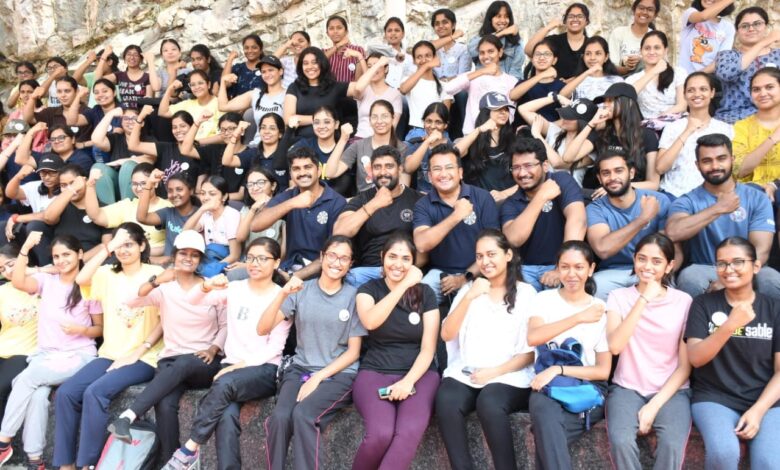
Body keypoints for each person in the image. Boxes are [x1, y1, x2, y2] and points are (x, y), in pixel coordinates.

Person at [161, 237, 292, 470]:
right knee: (225, 416)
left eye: (262, 259)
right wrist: (206, 286)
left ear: (276, 262)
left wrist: (238, 366)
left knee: (224, 383)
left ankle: (189, 449)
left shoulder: (283, 296)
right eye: (251, 258)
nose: (255, 263)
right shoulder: (235, 288)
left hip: (264, 368)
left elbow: (275, 348)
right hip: (230, 368)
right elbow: (192, 300)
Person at [107, 229, 226, 462]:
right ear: (174, 255)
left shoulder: (210, 286)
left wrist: (213, 348)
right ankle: (169, 461)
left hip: (204, 361)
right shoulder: (165, 289)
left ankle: (127, 416)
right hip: (171, 361)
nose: (188, 258)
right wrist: (156, 281)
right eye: (183, 253)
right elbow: (131, 300)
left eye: (194, 255)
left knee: (183, 363)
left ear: (200, 259)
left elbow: (225, 326)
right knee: (164, 403)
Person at [52, 224, 164, 470]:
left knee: (95, 392)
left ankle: (88, 464)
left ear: (142, 246)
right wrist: (108, 247)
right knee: (66, 393)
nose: (123, 250)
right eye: (119, 246)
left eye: (129, 244)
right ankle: (66, 464)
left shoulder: (155, 273)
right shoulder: (106, 274)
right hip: (110, 353)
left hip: (144, 357)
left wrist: (138, 352)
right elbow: (81, 279)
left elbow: (164, 320)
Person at [259, 236, 366, 470]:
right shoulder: (301, 290)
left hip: (339, 374)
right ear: (321, 257)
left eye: (344, 258)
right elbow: (262, 328)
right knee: (279, 418)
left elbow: (353, 352)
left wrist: (318, 378)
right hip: (300, 369)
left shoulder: (355, 297)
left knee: (304, 415)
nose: (336, 262)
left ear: (350, 264)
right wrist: (282, 294)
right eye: (332, 255)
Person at [436, 229, 536, 470]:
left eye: (492, 254)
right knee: (446, 400)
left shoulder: (527, 293)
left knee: (490, 403)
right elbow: (446, 334)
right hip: (468, 371)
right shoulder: (469, 290)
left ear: (508, 255)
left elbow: (530, 353)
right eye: (479, 256)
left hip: (509, 374)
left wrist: (494, 372)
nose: (485, 261)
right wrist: (469, 296)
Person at [0, 232, 101, 470]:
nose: (61, 260)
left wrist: (80, 329)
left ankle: (3, 441)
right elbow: (18, 281)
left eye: (66, 254)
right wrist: (25, 248)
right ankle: (35, 459)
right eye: (56, 256)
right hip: (46, 356)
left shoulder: (89, 286)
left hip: (77, 355)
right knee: (37, 397)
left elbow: (99, 329)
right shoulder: (47, 282)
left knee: (25, 379)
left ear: (79, 254)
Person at [686, 236, 780, 469]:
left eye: (738, 262)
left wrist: (758, 411)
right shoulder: (703, 304)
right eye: (722, 263)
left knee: (769, 462)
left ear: (755, 266)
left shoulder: (774, 308)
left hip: (766, 400)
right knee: (723, 453)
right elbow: (696, 358)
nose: (729, 270)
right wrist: (730, 325)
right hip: (715, 397)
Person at [605, 233, 693, 470]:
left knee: (671, 446)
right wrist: (643, 299)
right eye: (642, 259)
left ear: (669, 266)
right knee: (621, 442)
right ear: (634, 260)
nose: (647, 266)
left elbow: (685, 366)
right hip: (627, 387)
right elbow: (615, 346)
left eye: (656, 261)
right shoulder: (618, 297)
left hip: (672, 390)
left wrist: (653, 406)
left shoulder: (683, 301)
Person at [351, 234, 439, 470]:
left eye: (405, 258)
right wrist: (402, 286)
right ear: (382, 257)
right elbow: (371, 321)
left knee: (408, 432)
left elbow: (428, 348)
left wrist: (407, 382)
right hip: (375, 371)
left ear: (413, 263)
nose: (398, 264)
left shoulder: (426, 294)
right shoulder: (368, 289)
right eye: (392, 257)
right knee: (380, 433)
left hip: (419, 374)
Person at [526, 241, 611, 470]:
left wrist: (558, 369)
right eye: (564, 267)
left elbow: (603, 371)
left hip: (586, 386)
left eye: (579, 267)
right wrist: (578, 317)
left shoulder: (600, 308)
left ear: (591, 269)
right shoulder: (543, 300)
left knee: (546, 433)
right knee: (544, 412)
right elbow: (533, 337)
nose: (571, 274)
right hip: (548, 385)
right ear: (557, 268)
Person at [666, 133, 780, 299]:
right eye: (707, 161)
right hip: (707, 267)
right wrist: (718, 208)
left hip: (748, 266)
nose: (715, 166)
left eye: (721, 159)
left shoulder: (757, 197)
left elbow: (761, 250)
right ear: (697, 165)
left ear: (732, 160)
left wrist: (731, 276)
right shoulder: (687, 201)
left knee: (771, 280)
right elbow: (673, 232)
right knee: (690, 277)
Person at [413, 144, 500, 302]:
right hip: (440, 274)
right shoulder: (423, 205)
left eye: (449, 168)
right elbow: (421, 244)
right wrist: (456, 216)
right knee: (417, 300)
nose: (443, 174)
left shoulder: (482, 198)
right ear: (430, 176)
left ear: (460, 172)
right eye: (437, 169)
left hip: (479, 272)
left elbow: (494, 247)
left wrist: (464, 278)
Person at [501, 137, 586, 292]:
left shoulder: (562, 180)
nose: (522, 173)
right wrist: (541, 197)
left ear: (545, 165)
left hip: (562, 264)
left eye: (528, 166)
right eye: (516, 167)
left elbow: (578, 220)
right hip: (525, 270)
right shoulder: (511, 203)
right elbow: (513, 239)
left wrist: (563, 266)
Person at [586, 148, 671, 300]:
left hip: (652, 270)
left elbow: (671, 247)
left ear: (631, 173)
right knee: (596, 286)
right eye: (606, 173)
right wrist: (642, 219)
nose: (613, 177)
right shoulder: (595, 208)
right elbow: (602, 249)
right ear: (599, 178)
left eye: (619, 171)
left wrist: (659, 273)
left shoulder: (658, 200)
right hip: (613, 273)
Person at [251, 147, 347, 280]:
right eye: (296, 169)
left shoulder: (336, 202)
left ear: (319, 170)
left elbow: (334, 252)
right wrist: (292, 203)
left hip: (321, 274)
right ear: (290, 174)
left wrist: (294, 277)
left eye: (308, 167)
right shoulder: (289, 196)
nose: (302, 173)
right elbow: (255, 225)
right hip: (289, 266)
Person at [333, 145, 423, 287]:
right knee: (347, 279)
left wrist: (397, 269)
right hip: (369, 272)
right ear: (371, 171)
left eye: (389, 166)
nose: (383, 172)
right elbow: (339, 231)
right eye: (377, 167)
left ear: (400, 169)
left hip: (404, 269)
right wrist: (374, 204)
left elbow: (425, 251)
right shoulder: (362, 199)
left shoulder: (417, 200)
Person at [565, 82, 661, 193]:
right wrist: (591, 124)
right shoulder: (602, 133)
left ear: (629, 103)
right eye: (605, 101)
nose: (605, 105)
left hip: (632, 195)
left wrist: (617, 186)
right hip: (598, 194)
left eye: (610, 100)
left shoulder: (647, 135)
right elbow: (568, 157)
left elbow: (653, 184)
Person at [656, 72, 734, 198]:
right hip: (674, 194)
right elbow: (660, 168)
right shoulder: (672, 127)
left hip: (713, 195)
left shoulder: (725, 129)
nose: (697, 94)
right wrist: (687, 131)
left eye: (703, 89)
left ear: (712, 93)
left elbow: (732, 168)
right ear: (684, 95)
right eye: (691, 90)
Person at [283, 47, 375, 139]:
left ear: (322, 64)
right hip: (300, 141)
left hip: (330, 142)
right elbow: (288, 119)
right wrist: (321, 120)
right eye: (305, 63)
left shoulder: (335, 87)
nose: (310, 67)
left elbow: (364, 85)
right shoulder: (294, 87)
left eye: (314, 62)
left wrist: (360, 57)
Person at [84, 163, 172, 258]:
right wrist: (90, 186)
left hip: (159, 261)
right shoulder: (126, 205)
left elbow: (175, 242)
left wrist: (149, 252)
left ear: (155, 183)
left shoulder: (168, 207)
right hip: (128, 259)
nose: (139, 188)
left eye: (143, 183)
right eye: (134, 184)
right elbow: (96, 216)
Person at [326, 99, 407, 193]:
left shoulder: (401, 147)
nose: (379, 121)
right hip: (364, 199)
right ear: (369, 120)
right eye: (374, 117)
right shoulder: (359, 145)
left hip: (390, 198)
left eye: (384, 116)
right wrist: (343, 139)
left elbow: (402, 186)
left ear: (393, 118)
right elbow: (330, 173)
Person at [714, 7, 780, 124]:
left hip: (775, 117)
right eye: (744, 26)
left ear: (766, 27)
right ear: (737, 32)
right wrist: (763, 43)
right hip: (736, 117)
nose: (751, 29)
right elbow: (726, 74)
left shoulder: (778, 54)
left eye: (757, 24)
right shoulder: (727, 56)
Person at [516, 94, 599, 187]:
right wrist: (556, 97)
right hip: (544, 189)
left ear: (582, 123)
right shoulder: (555, 131)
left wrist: (537, 135)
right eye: (566, 113)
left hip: (570, 193)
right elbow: (523, 109)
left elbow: (558, 164)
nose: (564, 118)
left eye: (570, 116)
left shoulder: (588, 147)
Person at [444, 36, 517, 135]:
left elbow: (511, 112)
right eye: (482, 53)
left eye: (491, 51)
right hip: (473, 134)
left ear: (500, 52)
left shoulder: (512, 80)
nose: (486, 56)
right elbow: (448, 89)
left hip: (500, 136)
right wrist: (482, 71)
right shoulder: (473, 76)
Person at [0, 245, 39, 425]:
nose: (8, 271)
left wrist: (33, 271)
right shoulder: (2, 291)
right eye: (2, 269)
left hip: (27, 353)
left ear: (24, 259)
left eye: (11, 264)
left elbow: (59, 270)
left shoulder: (43, 284)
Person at [128, 105, 201, 198]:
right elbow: (133, 145)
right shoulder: (165, 148)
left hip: (185, 201)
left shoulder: (199, 152)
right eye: (174, 127)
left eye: (183, 126)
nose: (178, 130)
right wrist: (140, 118)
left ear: (191, 127)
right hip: (164, 202)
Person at [41, 164, 107, 263]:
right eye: (63, 185)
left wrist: (76, 263)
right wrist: (72, 188)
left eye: (73, 183)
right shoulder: (60, 207)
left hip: (93, 263)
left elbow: (106, 245)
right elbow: (48, 217)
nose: (69, 187)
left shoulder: (104, 208)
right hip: (61, 263)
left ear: (85, 180)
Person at [218, 54, 286, 148]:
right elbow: (223, 106)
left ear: (281, 71)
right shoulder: (255, 94)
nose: (267, 74)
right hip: (257, 146)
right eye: (263, 71)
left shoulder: (289, 95)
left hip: (281, 146)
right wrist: (223, 82)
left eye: (271, 70)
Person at [89, 106, 153, 204]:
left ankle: (127, 207)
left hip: (140, 187)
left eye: (134, 118)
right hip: (116, 185)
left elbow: (150, 159)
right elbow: (96, 140)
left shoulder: (149, 140)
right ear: (121, 123)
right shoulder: (116, 138)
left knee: (128, 166)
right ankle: (108, 208)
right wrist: (110, 114)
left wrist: (122, 161)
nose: (129, 121)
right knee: (97, 168)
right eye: (126, 118)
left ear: (142, 122)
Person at [457, 92, 515, 198]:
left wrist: (504, 194)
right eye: (498, 109)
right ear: (486, 112)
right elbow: (454, 153)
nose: (503, 112)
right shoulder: (472, 141)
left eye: (506, 109)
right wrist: (479, 130)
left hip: (508, 202)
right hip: (478, 202)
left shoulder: (514, 141)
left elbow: (527, 180)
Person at [3, 154, 62, 256]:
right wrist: (19, 176)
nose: (47, 177)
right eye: (43, 173)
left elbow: (47, 216)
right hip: (40, 231)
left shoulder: (66, 188)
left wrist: (17, 218)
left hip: (59, 230)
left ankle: (46, 263)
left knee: (35, 225)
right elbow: (11, 193)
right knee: (4, 226)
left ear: (61, 173)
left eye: (52, 173)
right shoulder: (37, 186)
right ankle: (10, 260)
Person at [183, 175, 241, 277]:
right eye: (202, 193)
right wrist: (201, 210)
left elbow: (235, 255)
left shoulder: (231, 214)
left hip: (225, 260)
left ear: (224, 197)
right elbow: (185, 233)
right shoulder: (206, 213)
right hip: (208, 257)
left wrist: (213, 268)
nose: (205, 198)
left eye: (212, 194)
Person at [137, 170, 198, 265]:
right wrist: (149, 183)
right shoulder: (168, 212)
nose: (174, 194)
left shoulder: (201, 214)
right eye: (170, 191)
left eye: (179, 189)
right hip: (168, 267)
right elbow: (142, 218)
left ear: (191, 191)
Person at [733, 67, 780, 190]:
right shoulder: (742, 126)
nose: (762, 93)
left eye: (769, 87)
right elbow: (739, 170)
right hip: (752, 191)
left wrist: (774, 185)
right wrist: (772, 139)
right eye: (756, 89)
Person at [625, 31, 687, 120]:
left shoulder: (678, 73)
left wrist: (659, 120)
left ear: (665, 50)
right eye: (647, 48)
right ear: (641, 51)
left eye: (657, 48)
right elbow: (626, 98)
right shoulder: (633, 79)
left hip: (675, 121)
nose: (651, 52)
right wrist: (653, 71)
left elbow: (682, 105)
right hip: (647, 125)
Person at [221, 113, 291, 190]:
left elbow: (292, 187)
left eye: (272, 128)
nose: (266, 131)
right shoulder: (253, 153)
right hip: (254, 195)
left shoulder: (288, 155)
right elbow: (226, 161)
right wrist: (236, 134)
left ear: (280, 134)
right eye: (263, 128)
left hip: (280, 197)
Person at [399, 41, 451, 141]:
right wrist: (426, 66)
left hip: (439, 132)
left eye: (428, 56)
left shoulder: (443, 85)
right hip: (416, 132)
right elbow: (403, 89)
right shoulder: (408, 80)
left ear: (434, 57)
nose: (423, 60)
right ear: (414, 60)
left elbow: (445, 115)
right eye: (419, 57)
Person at [524, 4, 590, 80]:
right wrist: (548, 27)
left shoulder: (591, 45)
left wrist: (569, 81)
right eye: (571, 16)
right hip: (552, 85)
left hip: (581, 86)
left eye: (580, 16)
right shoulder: (554, 41)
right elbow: (528, 50)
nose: (575, 19)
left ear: (587, 21)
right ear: (565, 20)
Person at [22, 77, 93, 145]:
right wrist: (33, 97)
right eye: (59, 91)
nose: (63, 95)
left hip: (80, 151)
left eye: (67, 91)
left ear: (76, 91)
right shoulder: (51, 112)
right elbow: (28, 119)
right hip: (54, 152)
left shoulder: (88, 112)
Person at [509, 39, 565, 123]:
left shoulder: (561, 86)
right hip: (524, 130)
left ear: (554, 60)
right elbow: (512, 96)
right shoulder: (524, 84)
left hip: (552, 129)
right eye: (537, 54)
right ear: (532, 59)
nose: (541, 57)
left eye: (547, 54)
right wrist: (541, 75)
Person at [403, 102, 453, 193]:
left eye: (438, 122)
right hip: (422, 196)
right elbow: (408, 168)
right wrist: (427, 142)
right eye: (429, 121)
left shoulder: (451, 147)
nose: (432, 126)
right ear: (424, 123)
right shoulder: (416, 145)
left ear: (445, 125)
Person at [159, 70, 223, 141]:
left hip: (210, 146)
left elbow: (223, 136)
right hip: (189, 145)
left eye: (200, 83)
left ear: (209, 85)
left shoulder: (220, 103)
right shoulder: (188, 104)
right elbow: (163, 112)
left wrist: (196, 143)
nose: (197, 87)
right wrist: (169, 90)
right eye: (193, 85)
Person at [468, 1, 524, 79]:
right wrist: (500, 33)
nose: (503, 20)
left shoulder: (516, 43)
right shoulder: (478, 39)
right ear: (490, 18)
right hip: (482, 83)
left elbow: (516, 73)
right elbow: (470, 52)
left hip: (507, 84)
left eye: (506, 16)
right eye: (498, 16)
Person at [678, 0, 736, 73]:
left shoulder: (728, 28)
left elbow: (719, 60)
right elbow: (703, 17)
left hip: (703, 76)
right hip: (679, 75)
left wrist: (697, 76)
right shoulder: (690, 13)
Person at [352, 55, 402, 139]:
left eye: (376, 65)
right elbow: (357, 88)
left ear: (386, 69)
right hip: (361, 138)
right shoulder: (363, 89)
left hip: (383, 140)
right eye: (369, 67)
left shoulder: (395, 93)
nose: (373, 69)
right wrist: (378, 64)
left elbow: (393, 125)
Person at [559, 36, 624, 102]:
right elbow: (562, 96)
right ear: (583, 57)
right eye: (588, 54)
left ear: (606, 57)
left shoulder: (616, 81)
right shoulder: (577, 80)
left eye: (598, 53)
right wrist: (587, 72)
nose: (592, 58)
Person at [14, 121, 93, 174]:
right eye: (53, 139)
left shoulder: (82, 159)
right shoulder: (48, 157)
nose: (56, 141)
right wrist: (31, 132)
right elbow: (20, 159)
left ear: (72, 139)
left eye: (61, 138)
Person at [608, 0, 660, 76]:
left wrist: (642, 61)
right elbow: (611, 67)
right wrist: (627, 68)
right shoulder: (618, 33)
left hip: (649, 80)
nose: (644, 12)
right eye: (641, 8)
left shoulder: (657, 38)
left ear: (655, 15)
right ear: (634, 10)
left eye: (650, 9)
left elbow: (662, 66)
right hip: (622, 80)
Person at [94, 45, 152, 109]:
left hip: (142, 112)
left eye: (136, 55)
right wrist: (104, 56)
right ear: (124, 59)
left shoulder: (147, 77)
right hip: (123, 112)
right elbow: (98, 81)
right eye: (129, 54)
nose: (132, 57)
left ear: (141, 59)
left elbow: (149, 100)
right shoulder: (119, 75)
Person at [365, 18, 416, 89]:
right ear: (385, 35)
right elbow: (370, 46)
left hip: (402, 93)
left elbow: (412, 77)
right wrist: (395, 54)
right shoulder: (378, 54)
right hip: (381, 93)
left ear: (403, 34)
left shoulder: (409, 58)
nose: (393, 33)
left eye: (397, 30)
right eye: (389, 31)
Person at [324, 15, 365, 83]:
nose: (335, 31)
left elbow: (359, 80)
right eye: (331, 28)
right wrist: (338, 45)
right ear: (327, 33)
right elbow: (319, 61)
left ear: (346, 31)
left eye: (339, 28)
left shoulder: (357, 50)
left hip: (351, 89)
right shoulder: (324, 52)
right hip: (329, 90)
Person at [222, 34, 265, 99]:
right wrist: (230, 59)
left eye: (254, 47)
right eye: (246, 48)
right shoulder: (238, 68)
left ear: (260, 50)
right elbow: (225, 84)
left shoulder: (266, 68)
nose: (250, 51)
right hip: (237, 105)